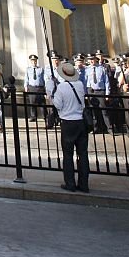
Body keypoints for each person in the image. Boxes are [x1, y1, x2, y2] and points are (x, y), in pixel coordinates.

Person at [52, 61, 90, 193]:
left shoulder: (62, 87)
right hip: (81, 122)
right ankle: (84, 184)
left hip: (68, 123)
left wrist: (54, 90)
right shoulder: (80, 85)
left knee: (68, 155)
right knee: (83, 154)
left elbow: (57, 105)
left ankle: (70, 183)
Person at [85, 54, 110, 132]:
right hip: (91, 91)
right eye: (90, 59)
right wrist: (86, 93)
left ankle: (109, 128)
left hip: (100, 91)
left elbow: (106, 81)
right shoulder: (87, 69)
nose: (91, 61)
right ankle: (96, 128)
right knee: (94, 111)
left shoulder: (101, 68)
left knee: (104, 111)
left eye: (93, 59)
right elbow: (86, 81)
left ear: (96, 59)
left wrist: (107, 93)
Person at [24, 54, 46, 122]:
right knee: (32, 103)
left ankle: (45, 116)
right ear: (30, 61)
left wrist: (45, 87)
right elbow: (26, 78)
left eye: (35, 61)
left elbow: (44, 78)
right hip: (32, 87)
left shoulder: (41, 69)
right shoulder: (28, 69)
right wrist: (25, 86)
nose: (34, 62)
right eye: (32, 61)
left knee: (42, 103)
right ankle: (33, 116)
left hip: (40, 87)